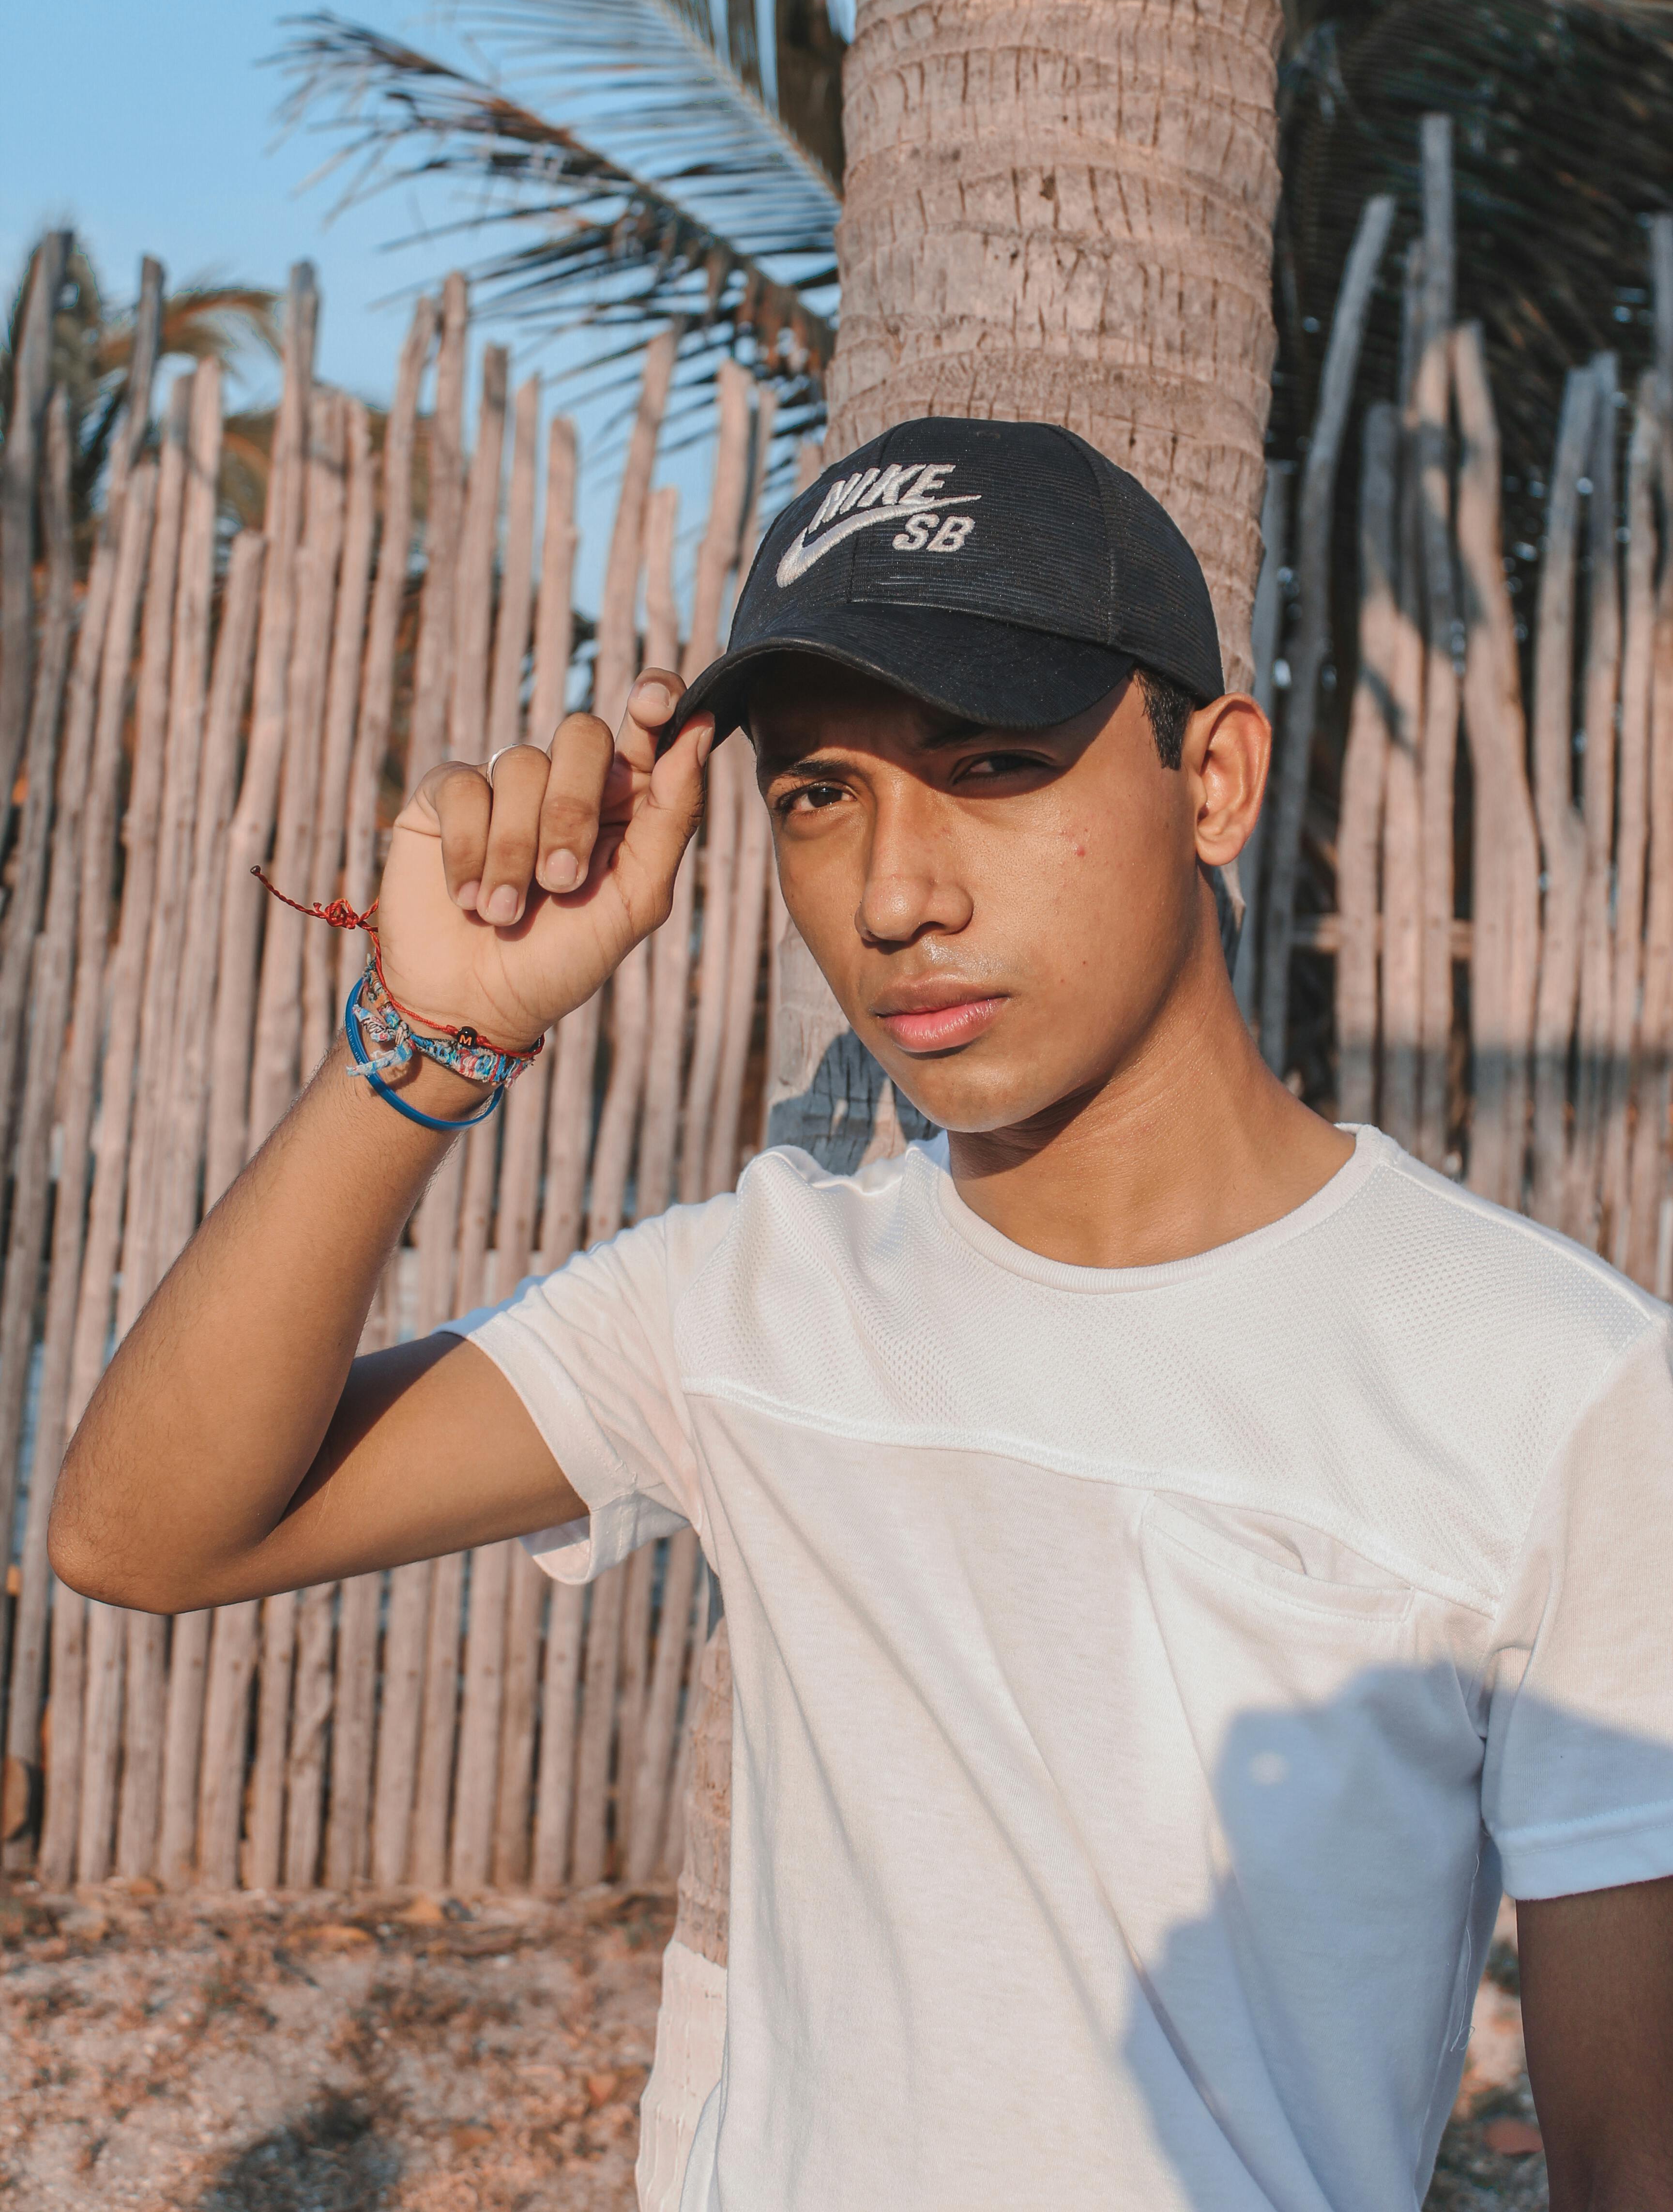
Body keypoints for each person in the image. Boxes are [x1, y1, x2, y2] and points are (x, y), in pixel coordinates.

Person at [52, 419, 1673, 2211]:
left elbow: (1633, 2155)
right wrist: (441, 1037)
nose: (897, 895)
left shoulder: (1554, 1388)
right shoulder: (748, 1297)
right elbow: (144, 1533)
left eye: (992, 762)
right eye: (822, 795)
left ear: (1213, 781)